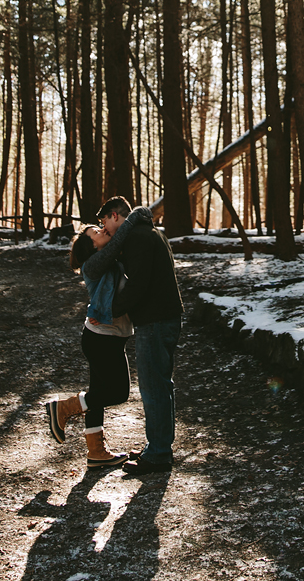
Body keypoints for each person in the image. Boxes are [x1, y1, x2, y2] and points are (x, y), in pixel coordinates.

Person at [44, 204, 152, 469]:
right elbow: (116, 245)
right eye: (97, 232)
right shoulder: (93, 265)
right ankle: (65, 408)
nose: (103, 230)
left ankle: (96, 451)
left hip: (108, 338)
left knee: (99, 393)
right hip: (101, 338)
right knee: (117, 393)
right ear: (92, 246)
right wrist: (134, 217)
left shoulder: (109, 262)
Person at [97, 195, 183, 475]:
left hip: (155, 320)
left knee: (153, 387)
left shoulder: (136, 238)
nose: (104, 229)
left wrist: (110, 310)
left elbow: (138, 285)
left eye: (104, 222)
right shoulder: (150, 233)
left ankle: (158, 454)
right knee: (162, 385)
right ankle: (158, 447)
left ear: (114, 216)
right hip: (165, 317)